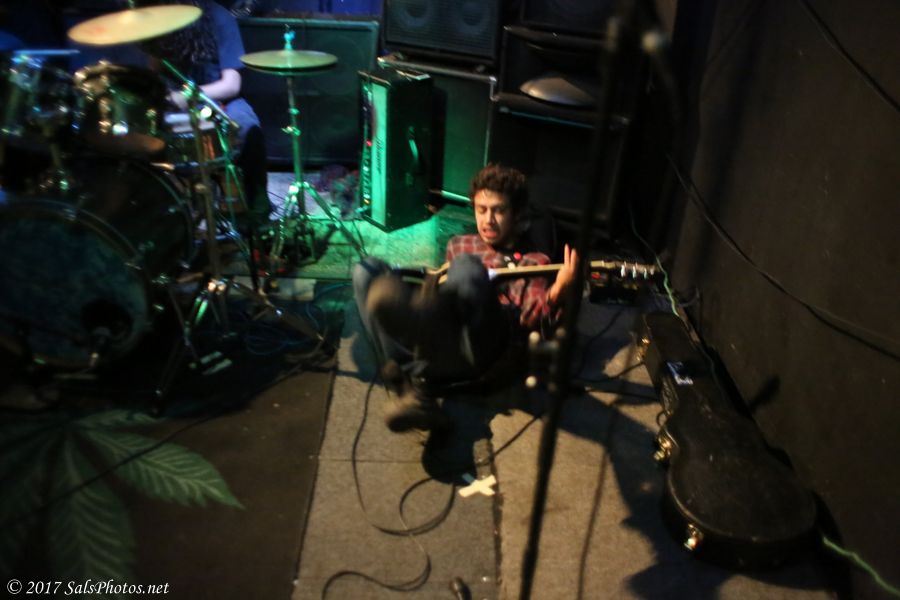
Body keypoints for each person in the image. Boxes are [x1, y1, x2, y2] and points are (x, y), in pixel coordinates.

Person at [353, 164, 579, 432]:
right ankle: (415, 379)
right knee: (365, 271)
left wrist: (558, 291)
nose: (488, 220)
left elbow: (530, 322)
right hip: (442, 340)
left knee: (466, 267)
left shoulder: (534, 260)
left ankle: (412, 378)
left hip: (481, 348)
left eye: (499, 211)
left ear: (516, 214)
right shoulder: (459, 243)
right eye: (481, 210)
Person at [140, 0, 270, 224]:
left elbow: (231, 85)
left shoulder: (220, 18)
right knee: (140, 133)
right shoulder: (161, 17)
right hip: (173, 102)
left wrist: (187, 97)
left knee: (248, 127)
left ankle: (257, 209)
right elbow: (154, 71)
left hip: (218, 99)